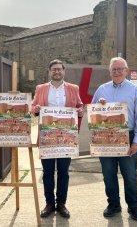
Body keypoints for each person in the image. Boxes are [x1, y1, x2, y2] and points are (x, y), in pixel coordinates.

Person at [91, 57, 137, 222]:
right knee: (108, 175)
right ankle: (114, 204)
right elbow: (93, 113)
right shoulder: (101, 90)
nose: (117, 72)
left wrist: (136, 141)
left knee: (130, 175)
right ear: (110, 72)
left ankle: (133, 206)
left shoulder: (135, 90)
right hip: (105, 137)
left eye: (120, 69)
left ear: (126, 71)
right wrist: (98, 105)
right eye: (114, 69)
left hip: (127, 137)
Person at [31, 59, 84, 219]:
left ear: (64, 71)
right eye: (54, 69)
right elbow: (33, 107)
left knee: (63, 172)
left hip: (66, 138)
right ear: (49, 72)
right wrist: (36, 109)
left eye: (59, 69)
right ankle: (49, 204)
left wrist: (80, 111)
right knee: (47, 172)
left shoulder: (73, 88)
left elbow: (79, 106)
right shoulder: (40, 89)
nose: (57, 72)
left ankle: (61, 204)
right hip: (47, 137)